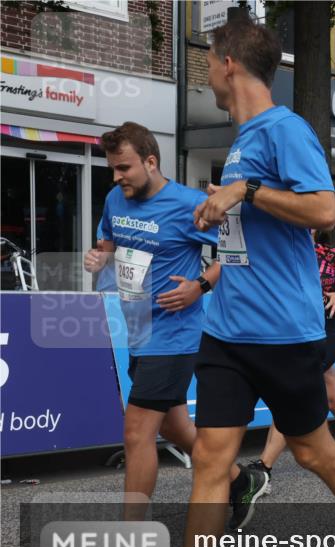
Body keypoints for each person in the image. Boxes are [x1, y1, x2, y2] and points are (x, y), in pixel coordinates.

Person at [118, 19, 335, 547]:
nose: (206, 70)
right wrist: (221, 213)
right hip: (227, 331)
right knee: (214, 463)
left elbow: (325, 212)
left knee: (313, 453)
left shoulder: (284, 130)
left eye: (208, 60)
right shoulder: (244, 141)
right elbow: (256, 234)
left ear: (226, 64)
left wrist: (245, 191)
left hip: (286, 334)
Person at [83, 122, 264, 524]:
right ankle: (240, 481)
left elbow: (236, 253)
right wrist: (98, 258)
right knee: (178, 429)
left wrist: (200, 285)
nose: (116, 176)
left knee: (136, 433)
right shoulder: (116, 199)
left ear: (151, 161)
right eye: (112, 168)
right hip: (137, 331)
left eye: (124, 167)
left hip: (175, 334)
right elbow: (108, 245)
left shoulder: (188, 203)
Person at [243, 232, 335, 500]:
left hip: (327, 331)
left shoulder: (329, 255)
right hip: (296, 334)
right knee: (332, 396)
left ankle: (264, 468)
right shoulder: (280, 256)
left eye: (306, 227)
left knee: (290, 390)